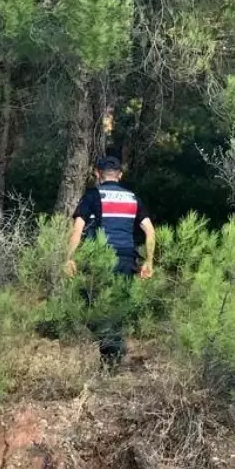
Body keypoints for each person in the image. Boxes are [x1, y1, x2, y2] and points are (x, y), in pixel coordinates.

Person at [64, 155, 156, 364]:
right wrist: (149, 261)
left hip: (100, 257)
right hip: (126, 259)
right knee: (117, 306)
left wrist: (69, 258)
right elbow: (150, 231)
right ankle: (113, 357)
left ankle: (112, 355)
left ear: (97, 173)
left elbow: (77, 230)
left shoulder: (92, 196)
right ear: (120, 175)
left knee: (91, 303)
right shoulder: (133, 198)